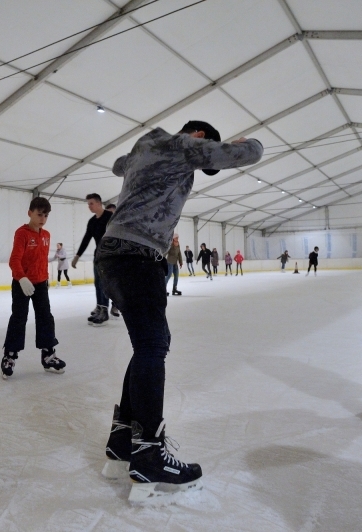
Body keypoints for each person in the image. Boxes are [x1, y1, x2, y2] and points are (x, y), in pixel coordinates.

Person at [97, 119, 263, 503]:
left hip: (113, 255)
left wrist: (138, 159)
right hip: (137, 255)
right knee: (153, 345)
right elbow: (249, 153)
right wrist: (243, 141)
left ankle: (123, 441)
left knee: (147, 345)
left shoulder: (147, 147)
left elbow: (119, 164)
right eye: (206, 153)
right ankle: (150, 453)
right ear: (200, 137)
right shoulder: (181, 145)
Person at [1, 197, 66, 379]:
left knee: (45, 317)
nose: (42, 219)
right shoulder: (22, 233)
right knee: (19, 318)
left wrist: (44, 279)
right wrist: (21, 278)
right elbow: (14, 259)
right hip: (22, 284)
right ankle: (10, 355)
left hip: (40, 284)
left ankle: (48, 354)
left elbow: (41, 260)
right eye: (39, 214)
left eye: (45, 215)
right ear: (30, 213)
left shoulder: (46, 235)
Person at [72, 193, 116, 325]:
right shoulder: (92, 222)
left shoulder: (110, 217)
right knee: (97, 283)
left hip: (110, 256)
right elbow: (86, 239)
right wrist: (77, 256)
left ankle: (105, 310)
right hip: (98, 256)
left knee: (104, 283)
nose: (89, 206)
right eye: (88, 204)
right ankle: (100, 307)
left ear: (99, 203)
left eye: (91, 203)